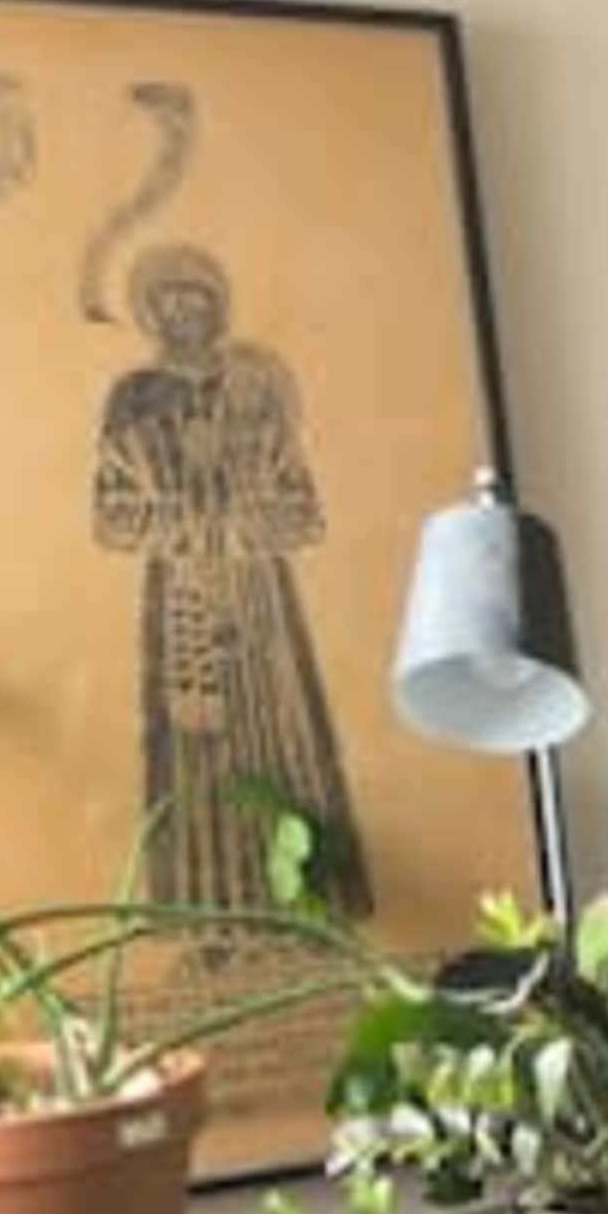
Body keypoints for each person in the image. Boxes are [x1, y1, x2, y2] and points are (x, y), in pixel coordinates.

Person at [92, 240, 366, 915]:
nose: (185, 310)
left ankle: (305, 911)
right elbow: (111, 515)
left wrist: (241, 515)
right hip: (181, 592)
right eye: (169, 299)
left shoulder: (254, 390)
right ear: (151, 313)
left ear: (217, 307)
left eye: (198, 296)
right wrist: (184, 521)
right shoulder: (134, 400)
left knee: (278, 734)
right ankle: (209, 915)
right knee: (193, 747)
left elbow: (302, 510)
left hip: (258, 599)